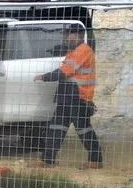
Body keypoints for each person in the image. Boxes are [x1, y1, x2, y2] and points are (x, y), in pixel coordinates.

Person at [41, 26, 102, 166]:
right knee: (55, 128)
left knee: (84, 130)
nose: (66, 38)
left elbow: (65, 71)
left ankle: (96, 160)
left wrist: (45, 77)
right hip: (67, 96)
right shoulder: (74, 51)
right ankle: (47, 160)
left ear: (75, 35)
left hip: (78, 97)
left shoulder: (82, 50)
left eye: (67, 35)